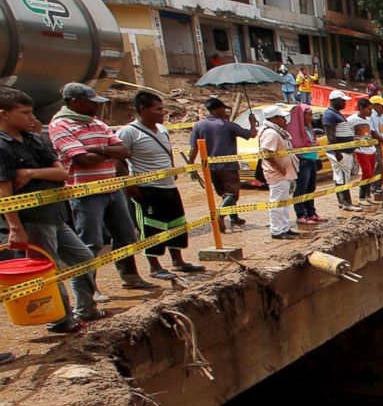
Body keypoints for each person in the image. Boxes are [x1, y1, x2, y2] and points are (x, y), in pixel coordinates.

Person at [0, 86, 99, 331]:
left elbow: (62, 172)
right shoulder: (2, 148)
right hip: (32, 220)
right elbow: (4, 191)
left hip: (55, 214)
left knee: (83, 258)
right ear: (4, 114)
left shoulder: (33, 139)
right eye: (24, 113)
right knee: (50, 270)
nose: (31, 118)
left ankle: (85, 308)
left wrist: (31, 172)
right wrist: (15, 227)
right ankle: (62, 320)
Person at [49, 83, 156, 292]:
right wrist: (107, 151)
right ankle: (90, 290)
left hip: (113, 189)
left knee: (125, 236)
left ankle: (130, 277)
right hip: (85, 192)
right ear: (75, 102)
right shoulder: (60, 126)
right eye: (91, 103)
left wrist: (95, 148)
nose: (96, 107)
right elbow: (83, 159)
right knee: (91, 243)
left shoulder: (97, 123)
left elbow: (124, 151)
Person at [115, 90, 204, 280]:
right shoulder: (129, 132)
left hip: (168, 186)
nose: (162, 113)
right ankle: (155, 267)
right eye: (158, 109)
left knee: (177, 223)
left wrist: (171, 169)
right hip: (147, 189)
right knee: (151, 227)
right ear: (142, 110)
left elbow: (168, 151)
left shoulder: (162, 130)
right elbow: (119, 161)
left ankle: (178, 261)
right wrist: (129, 184)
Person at [186, 98, 257, 231]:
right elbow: (252, 135)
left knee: (224, 193)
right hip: (228, 166)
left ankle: (234, 218)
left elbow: (193, 148)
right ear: (218, 109)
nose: (225, 111)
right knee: (232, 193)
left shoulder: (199, 125)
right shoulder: (227, 125)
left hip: (211, 167)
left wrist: (191, 166)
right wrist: (252, 123)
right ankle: (220, 215)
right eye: (223, 109)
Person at [257, 106, 299, 239]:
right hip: (277, 174)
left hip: (284, 173)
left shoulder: (277, 132)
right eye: (282, 118)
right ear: (274, 119)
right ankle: (276, 230)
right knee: (277, 203)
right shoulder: (271, 133)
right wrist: (279, 168)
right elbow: (266, 153)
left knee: (284, 203)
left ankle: (285, 227)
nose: (285, 120)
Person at [285, 99, 323, 226]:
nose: (311, 117)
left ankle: (311, 212)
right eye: (309, 114)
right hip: (302, 160)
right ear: (301, 115)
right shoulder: (294, 129)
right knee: (301, 188)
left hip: (312, 159)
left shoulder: (309, 128)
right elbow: (296, 145)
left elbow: (312, 142)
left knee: (311, 188)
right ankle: (300, 214)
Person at [322, 91, 359, 210]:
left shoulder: (336, 114)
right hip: (340, 151)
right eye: (342, 101)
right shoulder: (329, 115)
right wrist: (337, 152)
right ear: (334, 100)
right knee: (343, 177)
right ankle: (346, 203)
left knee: (341, 177)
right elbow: (330, 135)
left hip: (344, 150)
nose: (344, 103)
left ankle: (343, 202)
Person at [352, 95, 381, 200]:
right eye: (369, 109)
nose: (371, 112)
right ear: (361, 108)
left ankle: (368, 195)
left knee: (371, 173)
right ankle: (362, 196)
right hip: (360, 151)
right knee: (366, 172)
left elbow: (373, 132)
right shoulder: (351, 120)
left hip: (371, 150)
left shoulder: (369, 120)